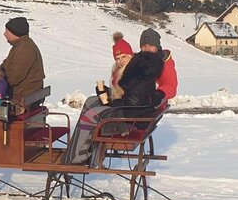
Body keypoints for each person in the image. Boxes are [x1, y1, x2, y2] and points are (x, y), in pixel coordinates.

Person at [64, 27, 178, 166]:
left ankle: (77, 155)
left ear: (157, 46)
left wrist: (158, 94)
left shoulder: (161, 63)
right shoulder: (142, 61)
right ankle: (80, 148)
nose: (147, 48)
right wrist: (108, 93)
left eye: (150, 45)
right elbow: (127, 90)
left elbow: (170, 86)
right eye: (144, 46)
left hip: (140, 109)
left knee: (92, 114)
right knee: (91, 101)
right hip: (135, 104)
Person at [1, 16, 45, 110]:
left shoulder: (24, 50)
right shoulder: (20, 46)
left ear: (15, 33)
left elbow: (13, 78)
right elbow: (6, 67)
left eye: (7, 31)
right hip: (23, 94)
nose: (4, 34)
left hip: (21, 97)